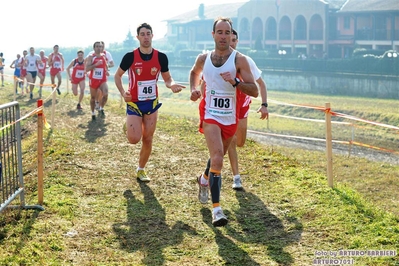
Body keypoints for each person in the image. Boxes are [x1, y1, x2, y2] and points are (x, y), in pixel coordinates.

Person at [189, 17, 258, 227]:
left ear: (231, 35)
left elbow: (254, 90)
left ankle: (203, 179)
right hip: (210, 114)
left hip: (230, 117)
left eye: (227, 33)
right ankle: (217, 210)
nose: (223, 36)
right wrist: (194, 88)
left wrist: (236, 82)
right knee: (218, 157)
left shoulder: (240, 60)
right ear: (213, 35)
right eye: (219, 32)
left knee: (217, 157)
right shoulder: (203, 58)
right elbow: (194, 73)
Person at [114, 22, 185, 182]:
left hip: (151, 103)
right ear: (138, 37)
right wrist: (122, 92)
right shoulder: (130, 56)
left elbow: (167, 78)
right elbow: (117, 76)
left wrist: (172, 84)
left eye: (148, 34)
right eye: (142, 34)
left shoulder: (161, 57)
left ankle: (141, 170)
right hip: (134, 103)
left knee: (148, 138)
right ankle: (130, 125)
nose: (146, 37)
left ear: (152, 36)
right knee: (134, 139)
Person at [227, 29, 269, 190]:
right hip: (226, 106)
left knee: (240, 142)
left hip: (243, 106)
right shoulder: (217, 59)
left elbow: (261, 84)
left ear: (237, 42)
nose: (231, 42)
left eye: (234, 40)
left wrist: (264, 105)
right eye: (229, 39)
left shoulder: (245, 61)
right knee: (231, 140)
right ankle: (236, 177)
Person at [86, 41, 109, 120]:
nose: (99, 48)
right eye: (97, 46)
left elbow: (105, 65)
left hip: (102, 79)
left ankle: (101, 108)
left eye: (100, 46)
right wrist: (95, 65)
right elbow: (87, 69)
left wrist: (107, 71)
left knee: (105, 94)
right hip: (94, 80)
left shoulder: (103, 56)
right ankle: (93, 113)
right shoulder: (91, 57)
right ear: (94, 48)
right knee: (93, 98)